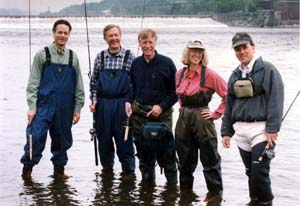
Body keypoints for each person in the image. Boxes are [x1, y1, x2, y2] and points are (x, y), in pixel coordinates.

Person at [221, 32, 284, 206]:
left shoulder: (268, 70)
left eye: (245, 47)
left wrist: (273, 128)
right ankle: (253, 201)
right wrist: (226, 131)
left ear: (253, 47)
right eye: (237, 49)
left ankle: (266, 202)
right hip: (241, 131)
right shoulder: (234, 76)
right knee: (250, 172)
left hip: (262, 130)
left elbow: (276, 99)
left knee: (259, 172)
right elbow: (229, 105)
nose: (242, 52)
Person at [21, 19, 85, 180]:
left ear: (69, 35)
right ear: (53, 33)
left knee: (62, 139)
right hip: (43, 106)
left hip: (65, 107)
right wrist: (32, 107)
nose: (62, 36)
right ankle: (27, 170)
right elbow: (33, 84)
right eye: (59, 32)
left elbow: (79, 86)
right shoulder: (42, 55)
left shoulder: (73, 57)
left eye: (65, 33)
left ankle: (59, 171)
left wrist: (77, 108)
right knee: (35, 137)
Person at [175, 40, 227, 203]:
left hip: (203, 120)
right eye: (193, 51)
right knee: (184, 161)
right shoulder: (180, 73)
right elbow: (179, 96)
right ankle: (185, 195)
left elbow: (228, 95)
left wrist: (216, 113)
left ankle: (215, 195)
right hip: (183, 121)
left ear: (203, 54)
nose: (196, 54)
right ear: (187, 53)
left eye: (199, 51)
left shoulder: (210, 74)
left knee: (210, 160)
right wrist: (182, 108)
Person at [125, 28, 178, 185]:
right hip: (140, 115)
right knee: (144, 156)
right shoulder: (135, 64)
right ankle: (147, 190)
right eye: (144, 42)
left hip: (162, 116)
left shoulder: (167, 63)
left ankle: (172, 191)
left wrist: (161, 106)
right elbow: (132, 87)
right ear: (139, 44)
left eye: (150, 42)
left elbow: (175, 92)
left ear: (155, 42)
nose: (147, 45)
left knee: (167, 154)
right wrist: (128, 101)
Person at [89, 24, 135, 177]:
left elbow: (134, 84)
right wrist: (94, 100)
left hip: (123, 105)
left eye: (116, 35)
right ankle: (107, 173)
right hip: (102, 106)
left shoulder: (130, 57)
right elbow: (94, 82)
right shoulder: (100, 57)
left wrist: (130, 101)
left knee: (125, 141)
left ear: (120, 36)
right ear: (105, 38)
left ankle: (128, 175)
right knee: (104, 141)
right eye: (110, 36)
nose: (114, 38)